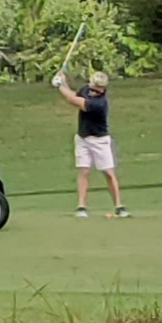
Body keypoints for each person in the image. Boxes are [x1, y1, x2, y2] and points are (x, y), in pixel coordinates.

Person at [52, 68, 129, 218]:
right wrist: (63, 81)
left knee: (108, 173)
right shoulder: (86, 90)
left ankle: (119, 206)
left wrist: (60, 86)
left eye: (96, 89)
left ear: (103, 89)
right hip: (82, 138)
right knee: (84, 171)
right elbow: (74, 95)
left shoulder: (100, 103)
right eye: (92, 87)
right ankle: (81, 207)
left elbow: (74, 101)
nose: (92, 91)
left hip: (100, 140)